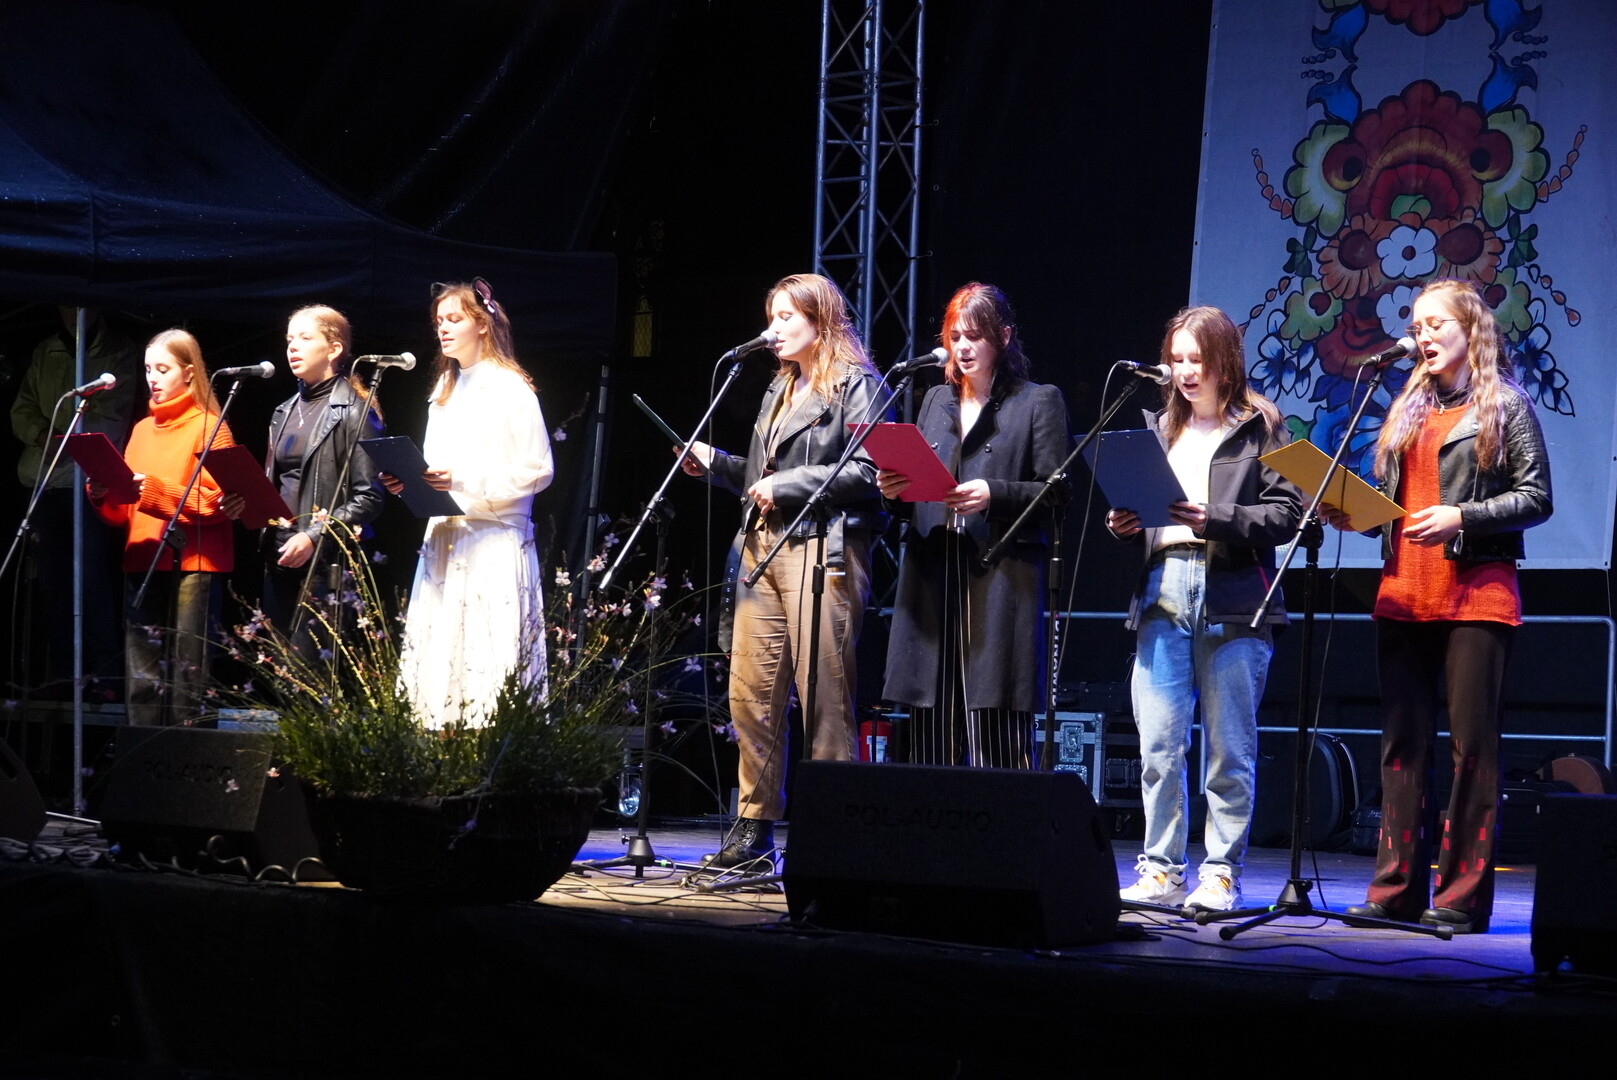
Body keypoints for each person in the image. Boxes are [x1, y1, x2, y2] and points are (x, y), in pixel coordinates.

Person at [1327, 279, 1551, 934]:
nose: (1422, 335)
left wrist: (1463, 516)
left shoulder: (1504, 405)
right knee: (1402, 749)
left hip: (1474, 593)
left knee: (1471, 752)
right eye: (1416, 325)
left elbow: (1536, 497)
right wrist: (1357, 513)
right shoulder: (1409, 406)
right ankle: (1395, 890)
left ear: (1469, 330)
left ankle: (1460, 898)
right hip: (1403, 592)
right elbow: (1400, 505)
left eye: (1435, 324)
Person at [680, 273, 886, 868]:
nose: (773, 330)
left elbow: (869, 472)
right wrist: (718, 464)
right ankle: (754, 827)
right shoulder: (779, 386)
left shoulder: (857, 384)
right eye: (771, 317)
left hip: (822, 548)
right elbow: (760, 477)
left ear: (821, 321)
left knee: (823, 693)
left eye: (786, 318)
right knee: (751, 692)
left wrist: (788, 485)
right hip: (761, 548)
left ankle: (832, 831)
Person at [1106, 306, 1301, 912]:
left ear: (1225, 361)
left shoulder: (1262, 427)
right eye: (1178, 359)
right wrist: (1125, 525)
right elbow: (1144, 512)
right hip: (1163, 585)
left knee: (1229, 749)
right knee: (1159, 745)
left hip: (1234, 592)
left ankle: (1220, 873)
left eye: (1198, 359)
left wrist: (1213, 518)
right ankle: (1162, 870)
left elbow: (1288, 513)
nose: (1186, 371)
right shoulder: (1160, 428)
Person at [878, 283, 1070, 768]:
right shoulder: (935, 400)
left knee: (996, 736)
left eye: (974, 336)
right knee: (931, 737)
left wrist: (994, 493)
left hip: (999, 578)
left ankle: (1007, 819)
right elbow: (915, 499)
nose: (962, 347)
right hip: (934, 574)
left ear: (1003, 337)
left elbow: (1056, 494)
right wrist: (895, 492)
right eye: (955, 336)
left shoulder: (1037, 401)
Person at [385, 280, 554, 728]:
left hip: (491, 540)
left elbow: (538, 469)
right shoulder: (445, 387)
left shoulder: (510, 387)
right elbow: (435, 468)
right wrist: (409, 482)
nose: (443, 328)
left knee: (486, 664)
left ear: (482, 324)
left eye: (454, 319)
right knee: (439, 671)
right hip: (445, 537)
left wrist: (463, 480)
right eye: (439, 321)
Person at [88, 328, 235, 725]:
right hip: (142, 557)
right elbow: (124, 512)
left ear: (189, 372)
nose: (152, 378)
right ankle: (141, 759)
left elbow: (218, 502)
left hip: (192, 563)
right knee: (142, 679)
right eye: (148, 369)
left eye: (163, 369)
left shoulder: (210, 426)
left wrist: (151, 489)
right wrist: (104, 493)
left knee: (189, 676)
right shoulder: (141, 430)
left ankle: (190, 759)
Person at [225, 305, 384, 655]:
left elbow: (369, 496)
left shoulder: (354, 410)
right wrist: (245, 503)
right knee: (282, 669)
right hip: (280, 554)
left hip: (324, 563)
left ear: (334, 348)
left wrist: (313, 536)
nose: (293, 347)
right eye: (289, 340)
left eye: (305, 338)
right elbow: (278, 484)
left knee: (311, 670)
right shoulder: (283, 411)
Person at [8, 307, 140, 699]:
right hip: (46, 483)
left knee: (92, 579)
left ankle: (104, 677)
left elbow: (113, 416)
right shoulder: (46, 350)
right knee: (52, 582)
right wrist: (42, 435)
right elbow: (22, 408)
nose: (73, 313)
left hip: (88, 483)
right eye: (65, 305)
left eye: (80, 305)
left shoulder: (118, 351)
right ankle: (64, 676)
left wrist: (66, 441)